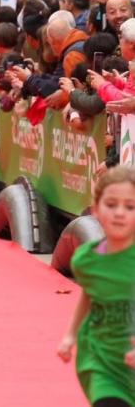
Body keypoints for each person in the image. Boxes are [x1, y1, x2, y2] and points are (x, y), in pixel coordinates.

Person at [58, 166, 135, 407]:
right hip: (101, 360)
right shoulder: (86, 260)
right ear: (96, 209)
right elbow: (89, 294)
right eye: (111, 205)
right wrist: (70, 335)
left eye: (130, 207)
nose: (119, 213)